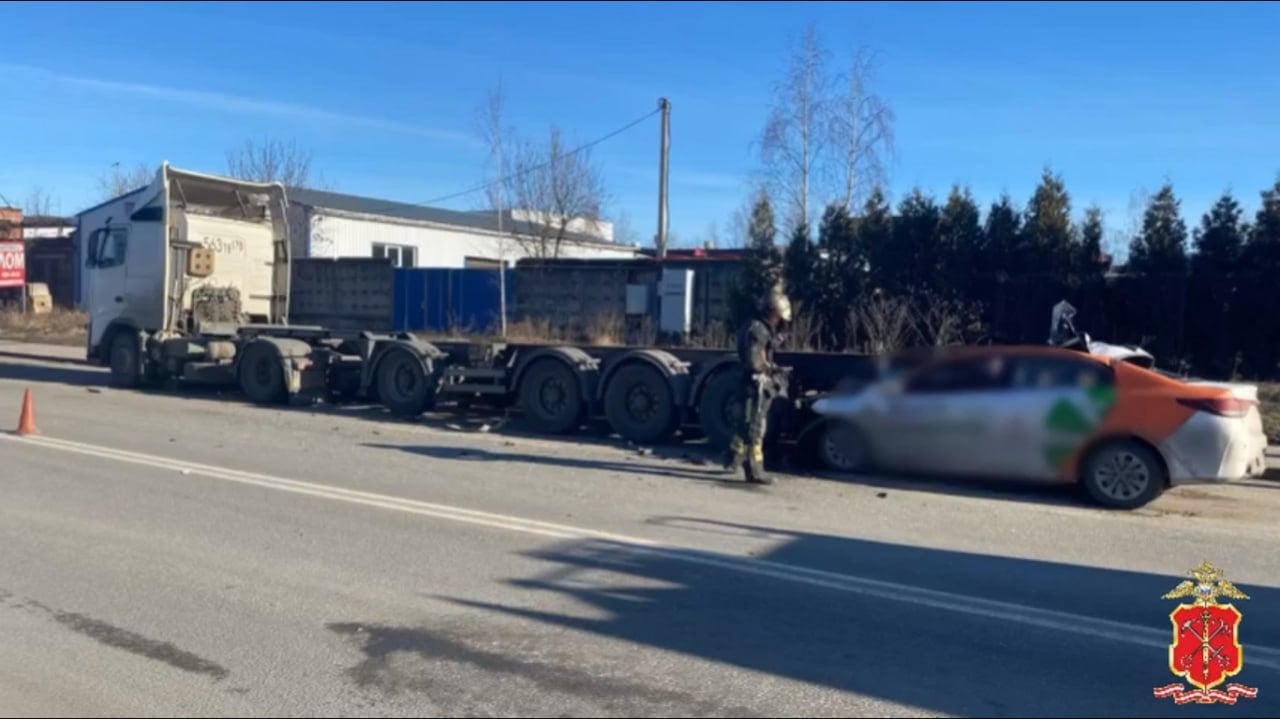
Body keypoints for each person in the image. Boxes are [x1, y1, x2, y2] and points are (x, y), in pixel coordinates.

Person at [723, 284, 792, 484]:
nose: (779, 321)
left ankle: (732, 459)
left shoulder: (756, 327)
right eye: (778, 316)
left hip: (751, 383)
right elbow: (755, 361)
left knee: (745, 426)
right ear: (771, 312)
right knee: (754, 428)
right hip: (755, 386)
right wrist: (771, 369)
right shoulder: (758, 330)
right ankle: (755, 472)